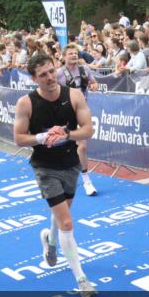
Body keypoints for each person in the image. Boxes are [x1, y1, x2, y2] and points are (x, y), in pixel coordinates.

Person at [13, 54, 97, 297]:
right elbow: (19, 138)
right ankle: (82, 281)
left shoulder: (74, 95)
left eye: (52, 71)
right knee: (67, 223)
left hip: (70, 164)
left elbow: (88, 130)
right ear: (33, 78)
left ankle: (49, 239)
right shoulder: (26, 103)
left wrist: (66, 135)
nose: (50, 77)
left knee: (62, 215)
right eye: (43, 75)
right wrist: (42, 137)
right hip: (45, 167)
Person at [57, 45, 99, 196]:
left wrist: (94, 86)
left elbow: (94, 83)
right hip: (66, 113)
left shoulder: (84, 69)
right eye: (70, 53)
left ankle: (87, 180)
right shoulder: (58, 73)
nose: (74, 55)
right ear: (64, 56)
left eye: (75, 53)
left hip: (83, 112)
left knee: (82, 146)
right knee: (66, 146)